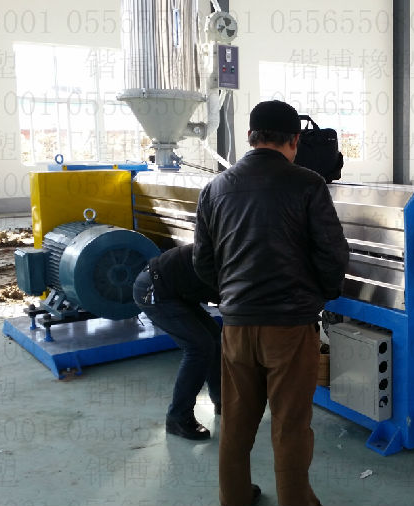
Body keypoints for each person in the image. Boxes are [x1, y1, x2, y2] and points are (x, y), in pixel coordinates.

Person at [193, 100, 349, 506]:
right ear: (295, 140)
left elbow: (202, 262)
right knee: (290, 425)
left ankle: (235, 498)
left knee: (236, 423)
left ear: (250, 137)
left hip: (236, 328)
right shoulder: (308, 184)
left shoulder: (215, 188)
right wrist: (320, 296)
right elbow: (333, 255)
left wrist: (232, 298)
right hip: (290, 328)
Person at [132, 243, 222, 441]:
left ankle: (222, 400)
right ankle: (178, 418)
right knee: (199, 347)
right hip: (154, 288)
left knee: (214, 337)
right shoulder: (237, 261)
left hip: (178, 291)